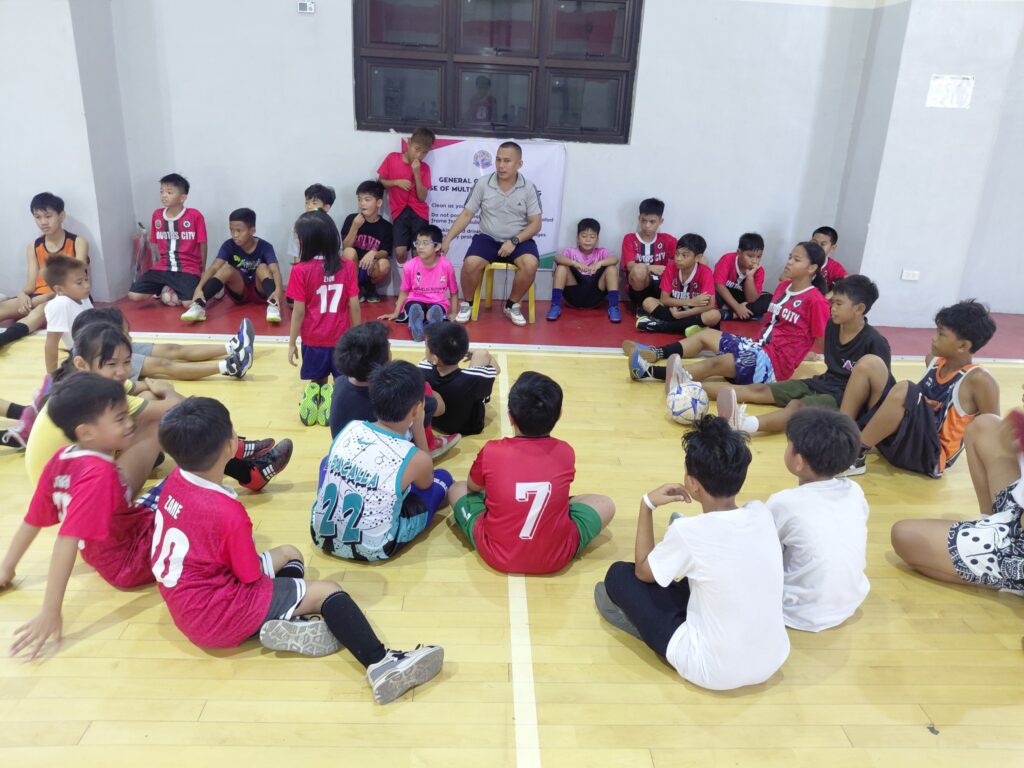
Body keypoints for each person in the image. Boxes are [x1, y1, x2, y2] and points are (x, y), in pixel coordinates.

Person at [151, 396, 443, 704]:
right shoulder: (227, 513)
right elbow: (249, 575)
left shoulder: (174, 481)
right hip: (221, 612)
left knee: (291, 553)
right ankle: (381, 664)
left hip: (186, 608)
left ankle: (290, 621)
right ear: (229, 445)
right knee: (328, 591)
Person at [594, 416, 790, 691]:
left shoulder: (690, 532)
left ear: (692, 482)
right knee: (699, 576)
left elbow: (642, 572)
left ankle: (637, 625)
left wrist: (646, 505)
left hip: (711, 670)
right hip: (773, 658)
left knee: (619, 576)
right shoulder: (760, 512)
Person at [25, 322, 289, 491]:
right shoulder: (95, 397)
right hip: (70, 497)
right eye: (111, 364)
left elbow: (143, 389)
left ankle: (240, 459)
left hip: (73, 481)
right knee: (161, 422)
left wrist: (160, 392)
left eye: (126, 362)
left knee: (152, 408)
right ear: (83, 363)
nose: (121, 372)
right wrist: (169, 391)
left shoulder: (88, 382)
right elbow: (175, 407)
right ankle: (241, 461)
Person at [1, 375, 158, 659]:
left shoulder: (63, 457)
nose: (130, 423)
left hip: (107, 550)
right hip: (132, 558)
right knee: (195, 495)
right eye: (120, 418)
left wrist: (6, 568)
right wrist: (50, 609)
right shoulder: (99, 475)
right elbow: (66, 539)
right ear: (86, 432)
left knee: (170, 492)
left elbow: (33, 520)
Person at [447, 372, 615, 574]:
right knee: (606, 504)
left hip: (496, 555)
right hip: (557, 556)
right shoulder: (566, 452)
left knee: (456, 489)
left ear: (510, 417)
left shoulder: (492, 450)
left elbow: (473, 487)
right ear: (559, 415)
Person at [625, 242, 830, 391]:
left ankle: (648, 372)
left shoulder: (815, 300)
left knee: (716, 363)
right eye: (790, 257)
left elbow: (821, 339)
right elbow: (771, 325)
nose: (789, 262)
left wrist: (805, 356)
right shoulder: (783, 286)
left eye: (796, 259)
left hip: (773, 365)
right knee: (705, 334)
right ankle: (654, 353)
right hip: (759, 347)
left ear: (812, 268)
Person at [838, 299, 999, 477]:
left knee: (906, 389)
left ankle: (854, 456)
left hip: (929, 457)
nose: (934, 337)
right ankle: (841, 434)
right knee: (870, 363)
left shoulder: (979, 380)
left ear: (963, 346)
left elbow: (993, 430)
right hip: (902, 442)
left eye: (941, 334)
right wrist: (922, 406)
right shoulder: (934, 361)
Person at [312, 361, 453, 562]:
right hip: (375, 548)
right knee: (442, 478)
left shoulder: (352, 427)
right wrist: (419, 426)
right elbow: (425, 483)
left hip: (320, 535)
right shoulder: (416, 456)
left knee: (328, 461)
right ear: (417, 408)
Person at [716, 275, 891, 435]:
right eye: (833, 303)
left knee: (797, 407)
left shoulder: (875, 342)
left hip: (845, 398)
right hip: (824, 382)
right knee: (759, 389)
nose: (832, 308)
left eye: (839, 304)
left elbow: (881, 388)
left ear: (859, 308)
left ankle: (741, 424)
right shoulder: (832, 326)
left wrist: (863, 425)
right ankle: (693, 388)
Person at [890, 387, 1023, 592]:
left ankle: (1008, 571)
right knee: (985, 425)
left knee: (905, 535)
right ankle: (988, 528)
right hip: (1017, 514)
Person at [766, 409, 870, 631]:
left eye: (788, 445)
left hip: (795, 612)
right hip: (850, 602)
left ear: (799, 462)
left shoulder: (783, 503)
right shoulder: (854, 490)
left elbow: (762, 550)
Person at [441, 142, 542, 327]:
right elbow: (466, 214)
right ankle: (468, 304)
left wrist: (514, 240)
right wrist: (447, 239)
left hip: (518, 239)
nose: (501, 165)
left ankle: (512, 305)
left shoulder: (528, 187)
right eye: (498, 160)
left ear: (519, 164)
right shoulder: (483, 183)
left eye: (507, 161)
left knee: (531, 264)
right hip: (488, 238)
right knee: (470, 263)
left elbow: (536, 224)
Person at [328, 322, 455, 458]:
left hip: (343, 457)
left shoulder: (340, 382)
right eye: (389, 348)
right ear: (385, 362)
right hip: (382, 462)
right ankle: (428, 443)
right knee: (423, 398)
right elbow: (438, 408)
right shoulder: (394, 393)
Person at [288, 210, 360, 427]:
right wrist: (357, 337)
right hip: (341, 338)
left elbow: (298, 311)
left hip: (313, 339)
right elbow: (354, 304)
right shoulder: (347, 265)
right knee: (342, 381)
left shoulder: (300, 270)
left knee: (316, 378)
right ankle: (334, 400)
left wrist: (292, 343)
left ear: (308, 241)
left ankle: (315, 395)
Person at [0, 192, 89, 349]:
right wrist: (23, 296)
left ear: (61, 216)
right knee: (5, 307)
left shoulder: (78, 242)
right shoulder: (33, 246)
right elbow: (30, 285)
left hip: (69, 295)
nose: (43, 222)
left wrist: (42, 299)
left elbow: (78, 282)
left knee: (42, 309)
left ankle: (4, 339)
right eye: (38, 217)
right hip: (38, 296)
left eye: (48, 216)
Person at [73, 306, 254, 383]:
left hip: (114, 349)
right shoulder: (107, 359)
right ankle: (230, 366)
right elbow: (163, 366)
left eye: (128, 333)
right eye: (126, 334)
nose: (131, 338)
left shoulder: (115, 342)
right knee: (164, 365)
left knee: (172, 349)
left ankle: (233, 346)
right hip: (112, 353)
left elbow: (169, 351)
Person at [182, 208, 283, 324]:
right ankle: (199, 306)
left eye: (239, 231)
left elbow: (275, 270)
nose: (235, 235)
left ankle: (274, 305)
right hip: (239, 291)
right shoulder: (229, 245)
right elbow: (214, 267)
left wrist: (279, 290)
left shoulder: (265, 247)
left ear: (252, 230)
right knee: (226, 268)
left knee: (263, 267)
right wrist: (199, 288)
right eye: (232, 230)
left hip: (260, 291)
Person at [127, 173, 207, 307]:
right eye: (162, 191)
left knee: (189, 304)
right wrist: (154, 266)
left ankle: (194, 287)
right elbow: (154, 243)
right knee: (133, 295)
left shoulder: (195, 216)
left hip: (187, 268)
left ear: (183, 197)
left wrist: (202, 269)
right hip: (163, 267)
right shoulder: (157, 215)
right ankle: (165, 286)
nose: (164, 195)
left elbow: (203, 244)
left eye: (169, 192)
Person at [418, 322, 499, 437]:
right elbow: (496, 370)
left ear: (434, 358)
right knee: (482, 354)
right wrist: (466, 351)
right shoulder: (475, 378)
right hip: (469, 427)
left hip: (435, 423)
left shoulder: (421, 369)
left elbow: (428, 360)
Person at [379, 224, 458, 342]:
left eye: (425, 243)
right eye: (418, 243)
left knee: (436, 309)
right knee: (414, 307)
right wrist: (396, 312)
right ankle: (418, 323)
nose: (420, 247)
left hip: (437, 302)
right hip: (415, 300)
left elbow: (454, 292)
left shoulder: (446, 266)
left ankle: (431, 320)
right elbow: (404, 292)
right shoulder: (410, 265)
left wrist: (454, 312)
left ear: (437, 246)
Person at [635, 233, 720, 334]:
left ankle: (662, 326)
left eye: (685, 255)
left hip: (694, 313)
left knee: (714, 315)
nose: (678, 258)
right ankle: (690, 329)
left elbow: (710, 305)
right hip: (677, 310)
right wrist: (690, 302)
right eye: (677, 254)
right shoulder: (671, 267)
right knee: (647, 302)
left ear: (698, 257)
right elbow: (664, 299)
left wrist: (682, 315)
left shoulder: (705, 272)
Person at [546, 218, 621, 323]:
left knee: (612, 268)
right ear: (577, 238)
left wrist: (599, 263)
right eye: (584, 236)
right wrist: (575, 264)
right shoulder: (570, 252)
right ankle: (555, 305)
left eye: (592, 237)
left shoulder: (601, 252)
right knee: (561, 267)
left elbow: (615, 259)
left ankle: (613, 306)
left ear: (597, 239)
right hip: (573, 296)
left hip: (595, 296)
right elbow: (557, 258)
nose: (588, 240)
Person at [377, 127, 435, 264]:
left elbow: (422, 197)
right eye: (416, 149)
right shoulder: (392, 158)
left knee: (419, 253)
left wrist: (416, 173)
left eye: (424, 153)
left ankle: (417, 284)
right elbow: (381, 182)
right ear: (408, 143)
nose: (419, 155)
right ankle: (407, 279)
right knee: (400, 253)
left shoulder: (424, 168)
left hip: (419, 213)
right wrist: (396, 182)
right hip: (399, 212)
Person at [342, 180, 394, 304]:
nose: (362, 203)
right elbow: (345, 246)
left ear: (379, 202)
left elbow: (385, 252)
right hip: (351, 269)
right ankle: (354, 289)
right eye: (359, 199)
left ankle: (370, 287)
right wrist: (355, 226)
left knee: (385, 264)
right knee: (349, 252)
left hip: (370, 268)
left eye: (367, 199)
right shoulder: (351, 219)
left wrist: (373, 253)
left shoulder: (386, 226)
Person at [621, 198, 676, 313]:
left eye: (652, 221)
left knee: (699, 261)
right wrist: (651, 268)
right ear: (638, 219)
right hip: (640, 289)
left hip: (663, 288)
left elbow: (684, 260)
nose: (647, 225)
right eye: (643, 220)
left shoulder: (667, 239)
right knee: (639, 269)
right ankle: (641, 307)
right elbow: (631, 266)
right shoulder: (630, 239)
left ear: (661, 221)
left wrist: (669, 269)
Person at [42, 255, 93, 373]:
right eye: (79, 282)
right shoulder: (60, 304)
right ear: (59, 290)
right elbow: (51, 344)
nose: (86, 285)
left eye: (86, 279)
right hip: (89, 357)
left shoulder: (83, 297)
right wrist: (52, 376)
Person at [712, 233, 770, 321]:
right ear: (739, 252)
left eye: (759, 256)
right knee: (712, 294)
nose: (754, 261)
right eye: (750, 256)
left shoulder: (759, 271)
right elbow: (718, 285)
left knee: (769, 299)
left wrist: (750, 277)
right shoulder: (727, 259)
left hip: (742, 299)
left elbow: (752, 299)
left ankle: (729, 314)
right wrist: (737, 307)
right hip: (724, 296)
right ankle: (735, 312)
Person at [287, 183, 337, 266]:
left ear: (326, 207)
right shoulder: (298, 226)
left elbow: (336, 255)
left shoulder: (331, 226)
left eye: (314, 203)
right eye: (307, 203)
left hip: (327, 270)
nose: (309, 206)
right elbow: (297, 256)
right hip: (306, 270)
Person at [810, 226, 848, 293]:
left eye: (823, 244)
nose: (817, 247)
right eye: (814, 242)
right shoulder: (801, 260)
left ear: (832, 248)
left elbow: (847, 283)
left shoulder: (834, 267)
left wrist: (826, 297)